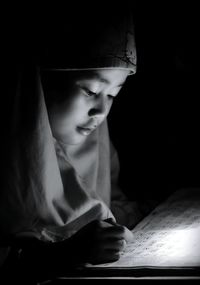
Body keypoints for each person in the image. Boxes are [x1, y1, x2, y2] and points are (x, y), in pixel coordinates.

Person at [0, 8, 156, 281]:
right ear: (41, 82)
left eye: (112, 95)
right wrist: (65, 254)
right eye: (91, 91)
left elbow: (113, 205)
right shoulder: (8, 162)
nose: (101, 111)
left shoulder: (97, 149)